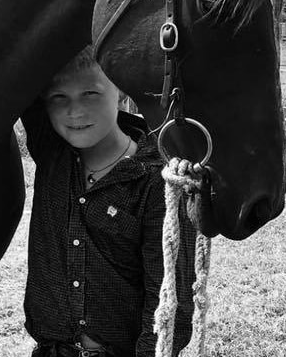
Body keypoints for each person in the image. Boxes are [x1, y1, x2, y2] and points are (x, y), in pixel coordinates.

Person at [21, 45, 196, 357]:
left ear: (121, 94)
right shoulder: (52, 153)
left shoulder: (158, 182)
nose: (75, 112)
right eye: (59, 98)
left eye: (90, 93)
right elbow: (18, 53)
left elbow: (170, 301)